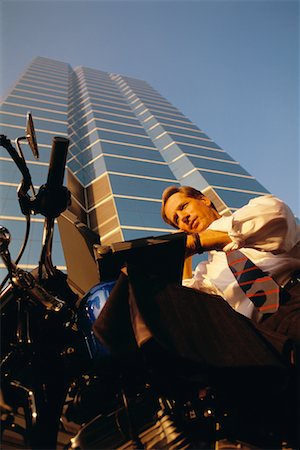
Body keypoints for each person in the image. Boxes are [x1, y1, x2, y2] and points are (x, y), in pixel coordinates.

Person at [161, 186, 300, 348]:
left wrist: (200, 241)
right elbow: (189, 304)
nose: (182, 218)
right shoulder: (205, 272)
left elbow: (277, 215)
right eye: (176, 220)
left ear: (203, 200)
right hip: (262, 337)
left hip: (294, 295)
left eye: (183, 207)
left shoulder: (252, 213)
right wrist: (183, 254)